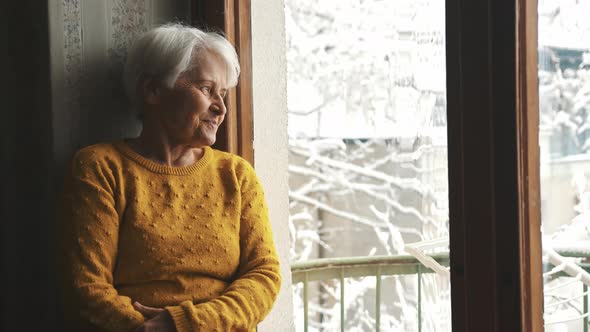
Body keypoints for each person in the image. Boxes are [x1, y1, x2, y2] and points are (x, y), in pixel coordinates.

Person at [57, 24, 281, 332]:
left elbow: (264, 275)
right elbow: (87, 287)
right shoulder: (101, 168)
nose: (221, 108)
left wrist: (183, 324)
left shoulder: (237, 175)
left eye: (224, 94)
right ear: (153, 90)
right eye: (206, 89)